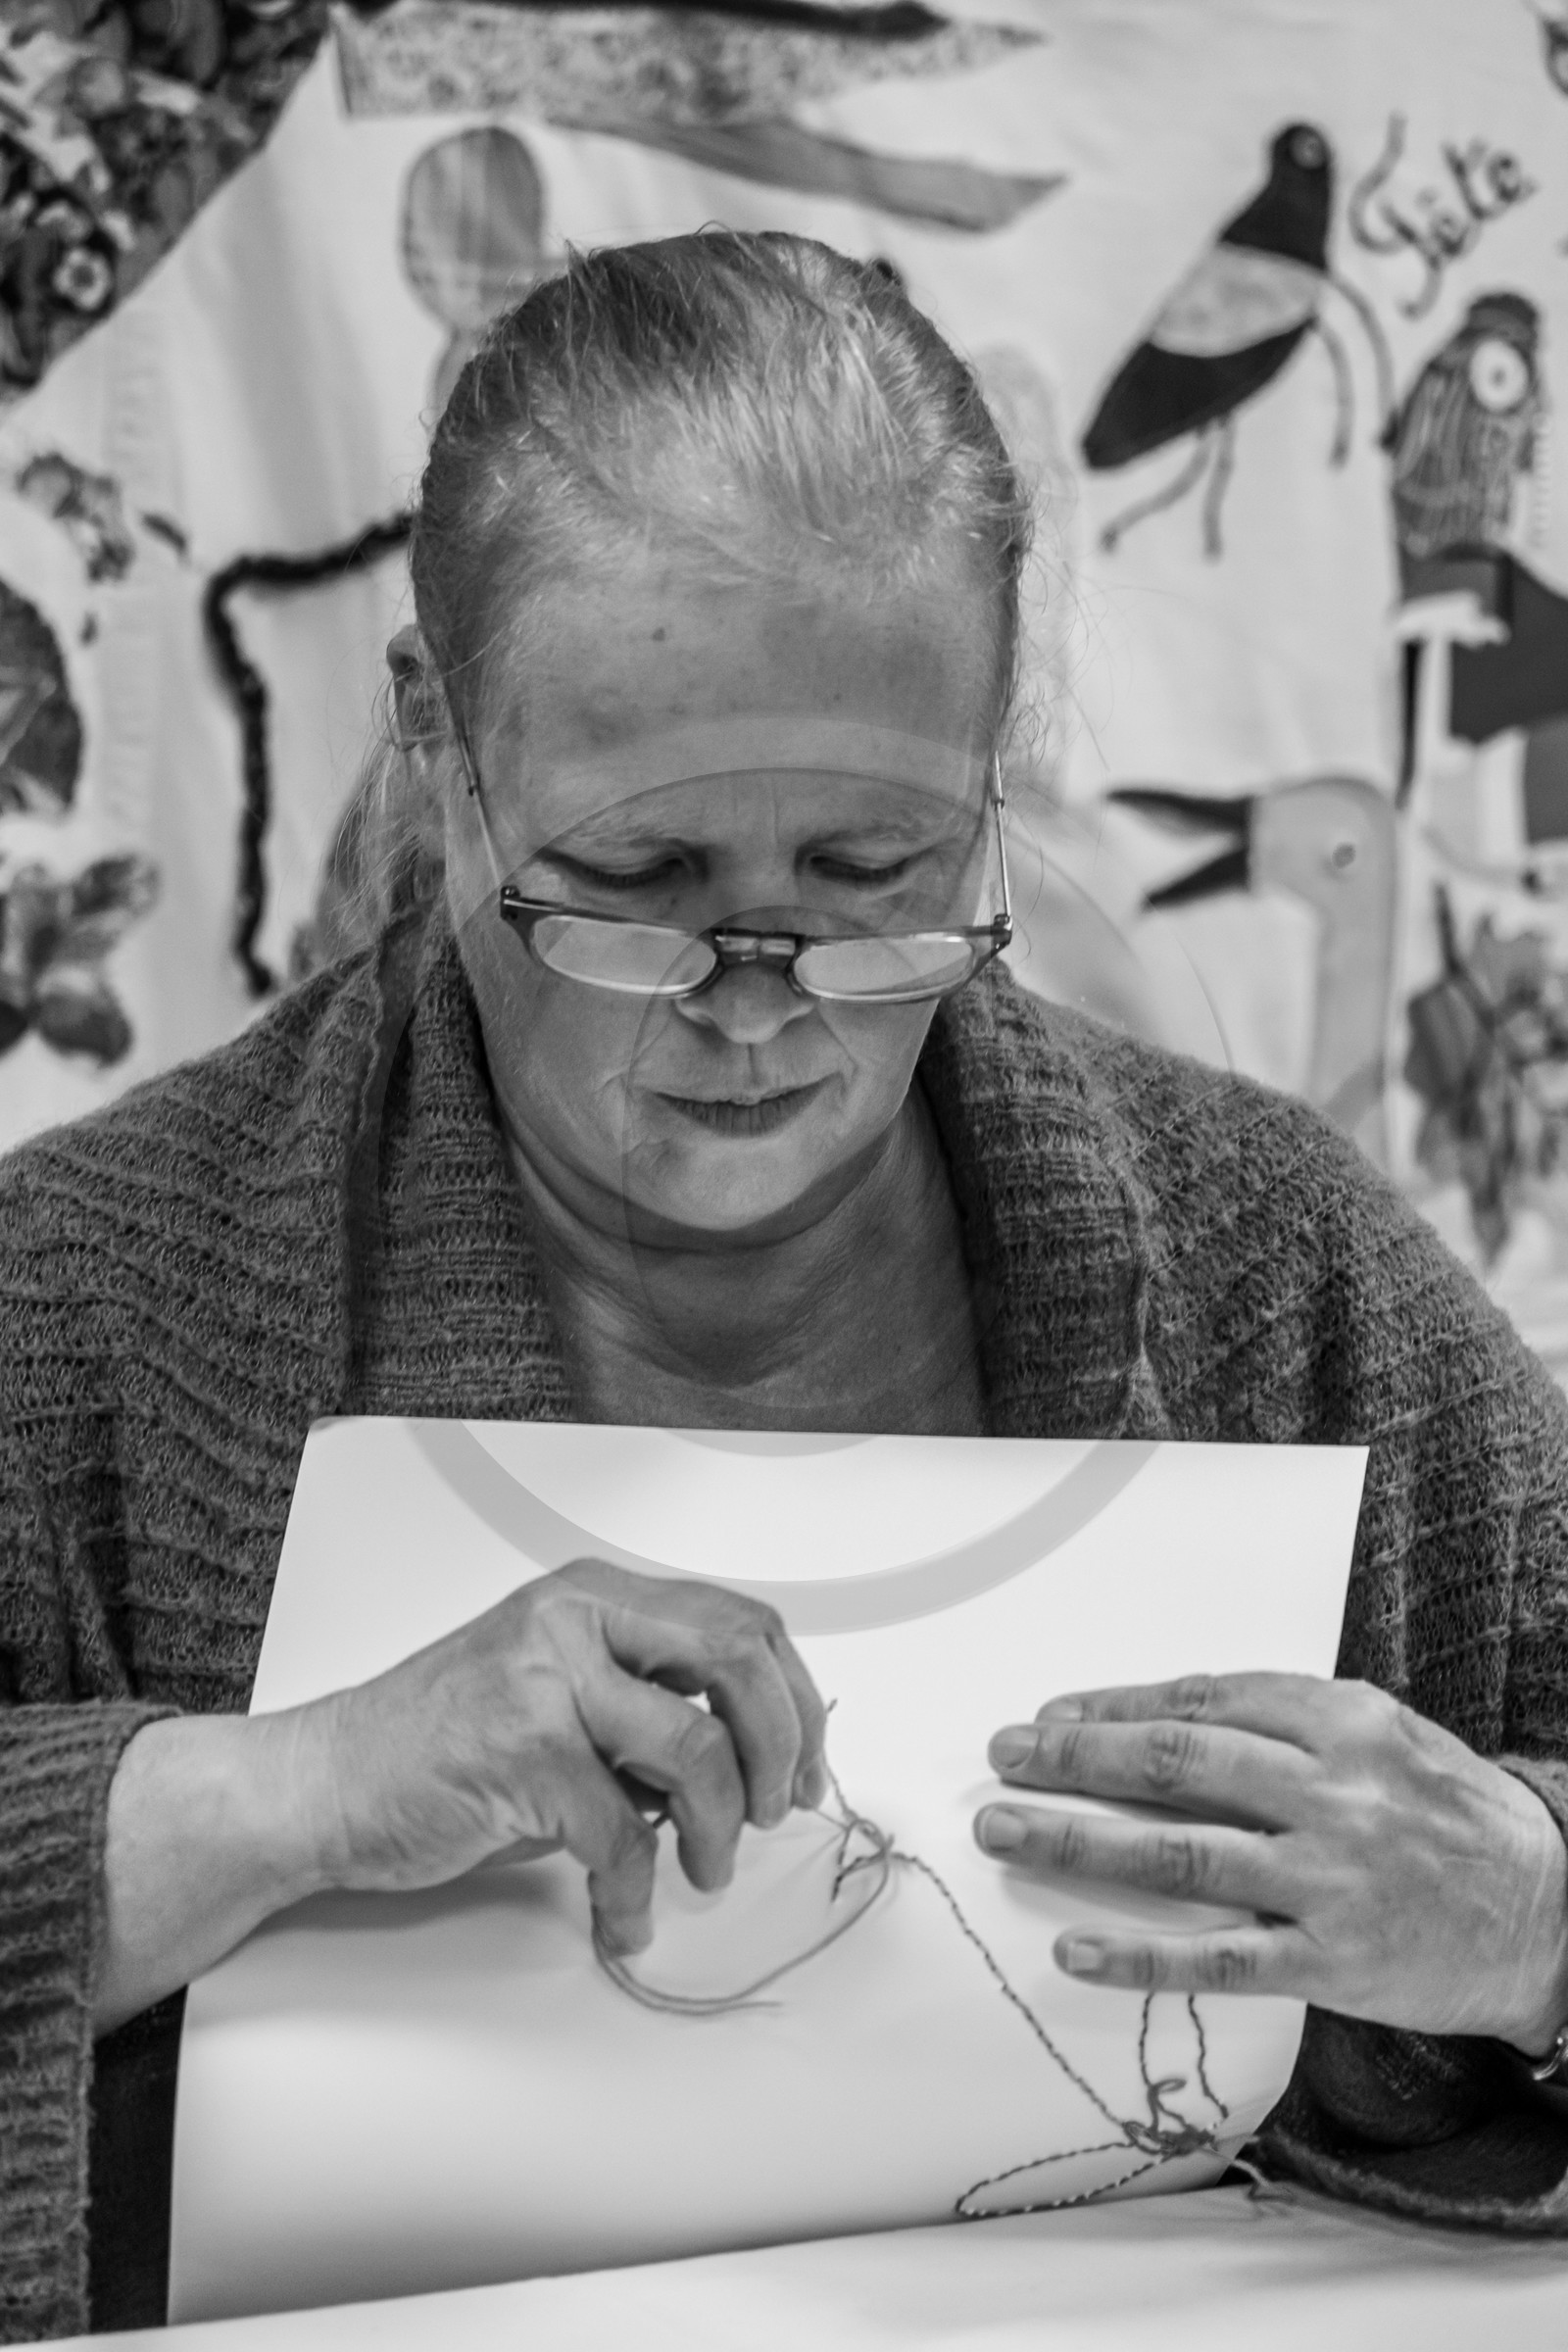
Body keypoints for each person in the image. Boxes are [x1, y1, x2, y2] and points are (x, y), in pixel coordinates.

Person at [4, 230, 1568, 2343]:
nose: (758, 1010)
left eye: (870, 878)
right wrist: (272, 1796)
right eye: (636, 881)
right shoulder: (86, 1312)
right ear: (438, 747)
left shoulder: (1279, 1266)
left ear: (993, 775)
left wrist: (1530, 1914)